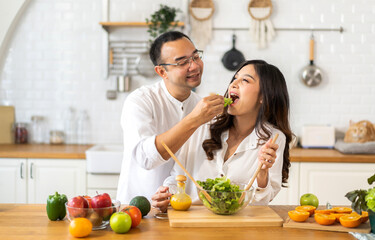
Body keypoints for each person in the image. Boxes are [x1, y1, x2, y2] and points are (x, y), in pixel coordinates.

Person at [152, 60, 292, 212]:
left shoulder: (274, 138)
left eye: (245, 80)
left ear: (264, 97)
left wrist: (263, 172)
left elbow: (261, 202)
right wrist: (167, 193)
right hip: (192, 220)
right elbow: (178, 177)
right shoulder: (203, 124)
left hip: (238, 226)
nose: (233, 84)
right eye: (234, 78)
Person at [116, 31, 224, 204]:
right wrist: (194, 119)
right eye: (182, 62)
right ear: (162, 71)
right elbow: (145, 158)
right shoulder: (140, 101)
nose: (194, 66)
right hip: (138, 209)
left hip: (180, 208)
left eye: (196, 56)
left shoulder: (202, 107)